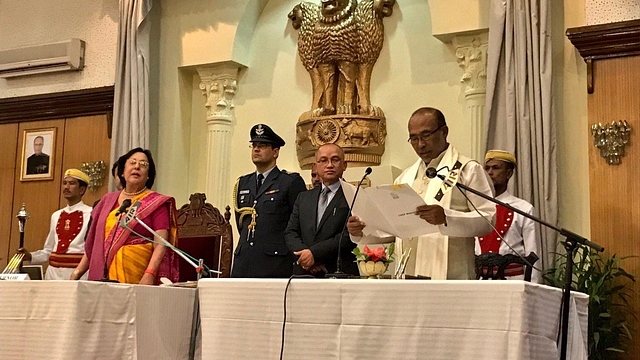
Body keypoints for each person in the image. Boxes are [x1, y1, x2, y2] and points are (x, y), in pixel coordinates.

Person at [347, 107, 496, 280]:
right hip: (409, 273)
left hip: (452, 275)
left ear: (444, 132)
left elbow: (488, 219)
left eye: (426, 135)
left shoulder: (467, 169)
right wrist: (361, 232)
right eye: (414, 138)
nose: (421, 144)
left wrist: (446, 217)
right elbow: (397, 228)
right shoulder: (405, 178)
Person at [70, 148, 179, 285]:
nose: (137, 166)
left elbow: (161, 244)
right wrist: (77, 272)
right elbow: (95, 245)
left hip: (138, 277)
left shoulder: (156, 203)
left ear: (148, 175)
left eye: (143, 165)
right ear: (122, 171)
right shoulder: (107, 201)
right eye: (132, 162)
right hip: (104, 276)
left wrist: (149, 274)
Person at [232, 124, 307, 278]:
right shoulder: (243, 183)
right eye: (254, 145)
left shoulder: (289, 182)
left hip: (274, 263)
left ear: (275, 152)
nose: (256, 149)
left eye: (262, 145)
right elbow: (242, 223)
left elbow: (300, 224)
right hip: (244, 261)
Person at [285, 144, 359, 277]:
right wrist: (306, 257)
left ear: (344, 165)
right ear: (316, 165)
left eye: (335, 160)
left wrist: (315, 254)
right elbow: (291, 232)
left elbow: (349, 236)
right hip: (304, 272)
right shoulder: (304, 197)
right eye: (323, 160)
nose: (329, 165)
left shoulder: (354, 195)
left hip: (339, 272)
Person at [475, 150, 542, 282]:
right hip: (480, 281)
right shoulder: (475, 207)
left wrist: (532, 288)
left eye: (496, 168)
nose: (489, 172)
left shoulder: (523, 209)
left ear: (508, 173)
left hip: (513, 281)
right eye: (487, 168)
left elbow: (533, 254)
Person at [17, 169, 92, 279]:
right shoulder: (56, 215)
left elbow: (91, 250)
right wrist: (30, 256)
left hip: (77, 274)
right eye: (64, 183)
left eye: (71, 184)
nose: (66, 187)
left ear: (81, 190)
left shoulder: (91, 213)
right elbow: (48, 250)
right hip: (52, 274)